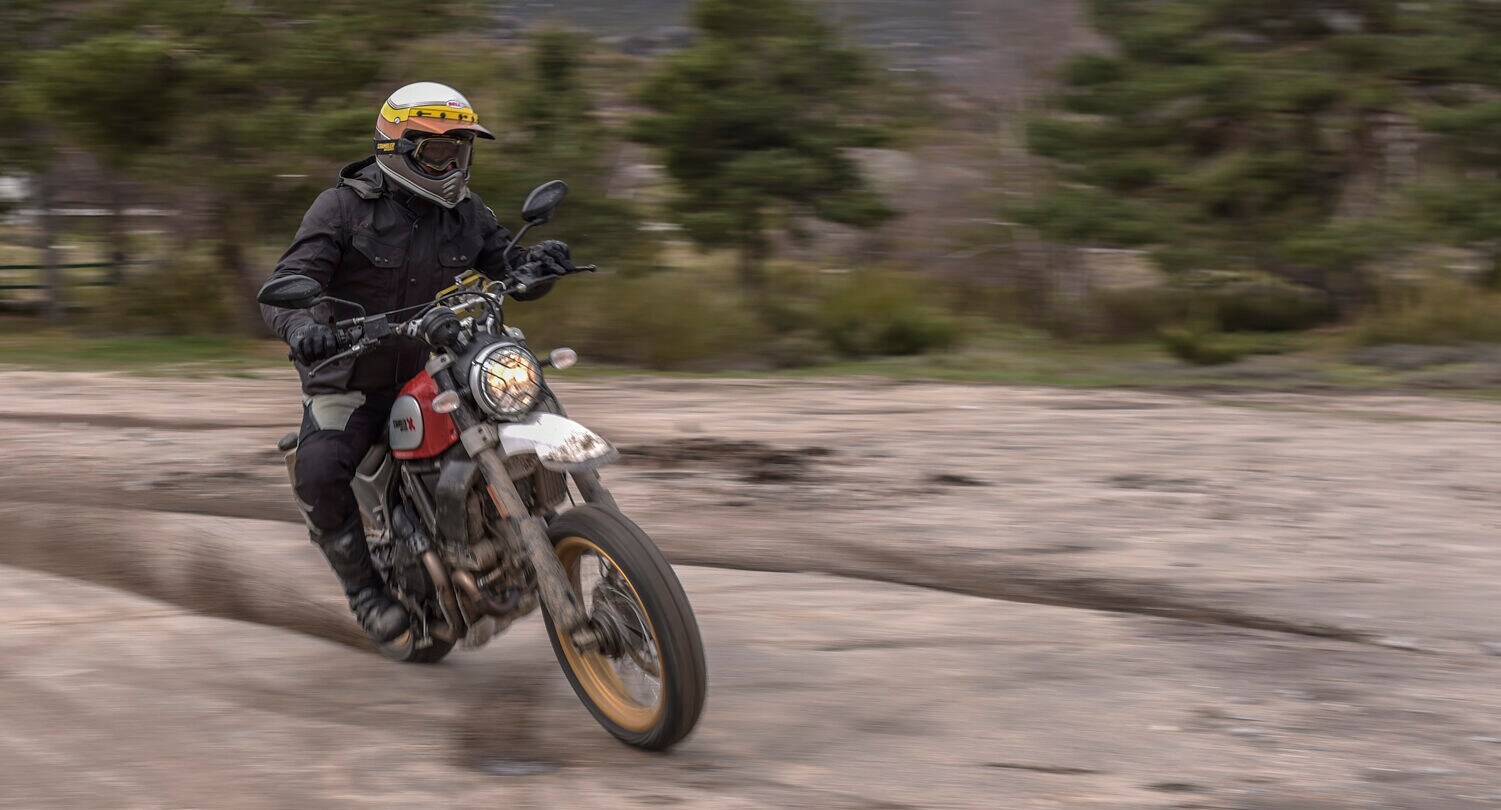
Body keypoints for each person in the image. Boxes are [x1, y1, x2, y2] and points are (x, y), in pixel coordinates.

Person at [260, 82, 571, 643]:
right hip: (350, 375)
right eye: (438, 151)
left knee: (520, 403)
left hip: (432, 367)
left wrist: (539, 265)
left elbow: (508, 264)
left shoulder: (466, 212)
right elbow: (287, 285)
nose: (451, 162)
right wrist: (305, 328)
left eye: (459, 150)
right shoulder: (341, 208)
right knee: (319, 470)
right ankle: (363, 591)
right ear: (398, 149)